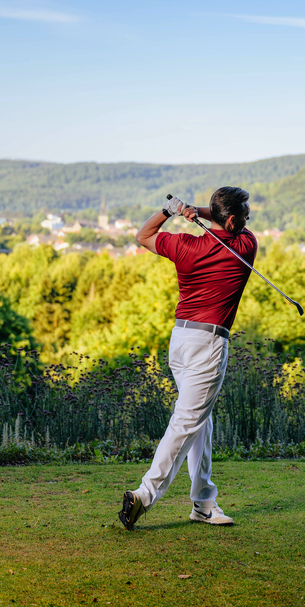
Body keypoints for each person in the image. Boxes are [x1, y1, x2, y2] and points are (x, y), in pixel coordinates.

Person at [118, 186, 257, 531]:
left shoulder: (184, 245)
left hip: (180, 340)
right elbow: (233, 224)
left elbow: (143, 235)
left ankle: (204, 503)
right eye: (246, 214)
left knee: (200, 421)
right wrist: (201, 212)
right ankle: (144, 495)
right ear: (235, 218)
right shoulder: (244, 247)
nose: (249, 218)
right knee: (187, 422)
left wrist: (174, 211)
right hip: (209, 345)